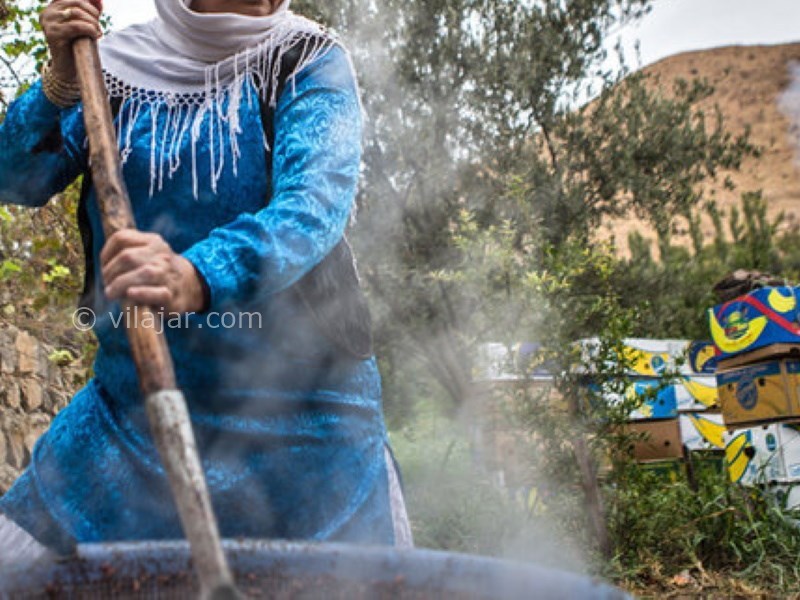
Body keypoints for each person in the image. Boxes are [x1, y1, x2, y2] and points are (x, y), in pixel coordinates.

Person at [0, 0, 412, 567]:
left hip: (307, 437)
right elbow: (15, 179)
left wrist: (195, 275)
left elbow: (312, 209)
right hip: (129, 420)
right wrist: (59, 83)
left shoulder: (307, 60)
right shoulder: (111, 70)